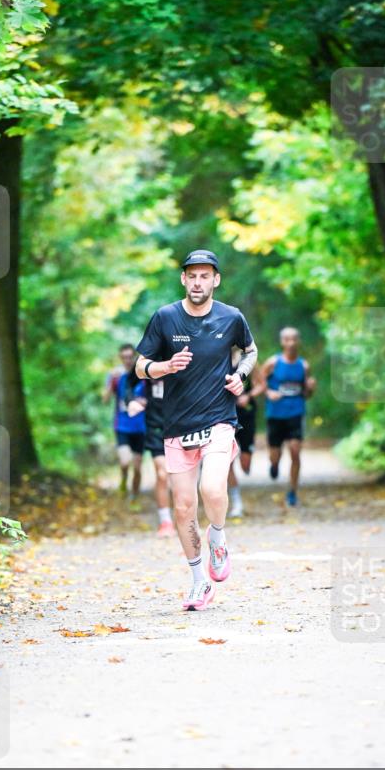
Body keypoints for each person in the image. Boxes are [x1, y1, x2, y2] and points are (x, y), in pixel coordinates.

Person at [135, 249, 258, 611]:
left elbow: (249, 352)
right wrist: (164, 367)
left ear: (216, 280)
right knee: (184, 506)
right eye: (193, 275)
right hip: (177, 426)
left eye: (206, 276)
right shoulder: (165, 318)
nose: (198, 281)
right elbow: (140, 366)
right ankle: (199, 581)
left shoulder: (231, 317)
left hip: (219, 419)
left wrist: (240, 376)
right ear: (184, 279)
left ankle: (217, 539)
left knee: (212, 488)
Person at [262, 327, 316, 507]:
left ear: (298, 341)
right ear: (282, 342)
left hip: (295, 412)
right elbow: (259, 382)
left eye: (294, 339)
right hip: (276, 414)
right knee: (275, 454)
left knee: (295, 452)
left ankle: (292, 491)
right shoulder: (273, 363)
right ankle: (275, 465)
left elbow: (307, 394)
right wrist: (269, 392)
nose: (290, 343)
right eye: (287, 339)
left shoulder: (304, 365)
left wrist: (310, 388)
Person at [126, 373, 176, 538]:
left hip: (182, 427)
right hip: (156, 428)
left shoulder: (184, 354)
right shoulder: (148, 358)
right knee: (162, 474)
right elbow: (129, 383)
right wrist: (133, 400)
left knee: (180, 478)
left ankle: (185, 518)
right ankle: (166, 521)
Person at [102, 344, 145, 501]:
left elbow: (152, 397)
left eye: (129, 357)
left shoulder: (142, 375)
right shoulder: (116, 376)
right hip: (122, 426)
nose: (127, 360)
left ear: (134, 357)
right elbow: (105, 400)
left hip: (141, 427)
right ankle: (123, 480)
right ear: (120, 358)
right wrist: (110, 382)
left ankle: (134, 497)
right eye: (124, 357)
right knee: (125, 462)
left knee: (138, 467)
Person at [227, 362, 266, 518]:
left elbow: (262, 385)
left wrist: (248, 396)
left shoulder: (248, 361)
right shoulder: (218, 356)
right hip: (225, 415)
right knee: (227, 462)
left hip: (247, 414)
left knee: (245, 464)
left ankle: (247, 457)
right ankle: (237, 503)